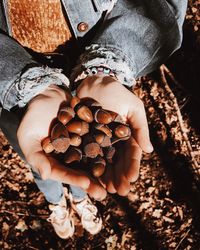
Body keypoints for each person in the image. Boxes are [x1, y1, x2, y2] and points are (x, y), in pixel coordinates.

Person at [0, 0, 187, 239]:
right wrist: (19, 81)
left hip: (91, 55)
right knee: (37, 159)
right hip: (15, 93)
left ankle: (80, 198)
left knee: (76, 168)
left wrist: (106, 66)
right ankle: (56, 203)